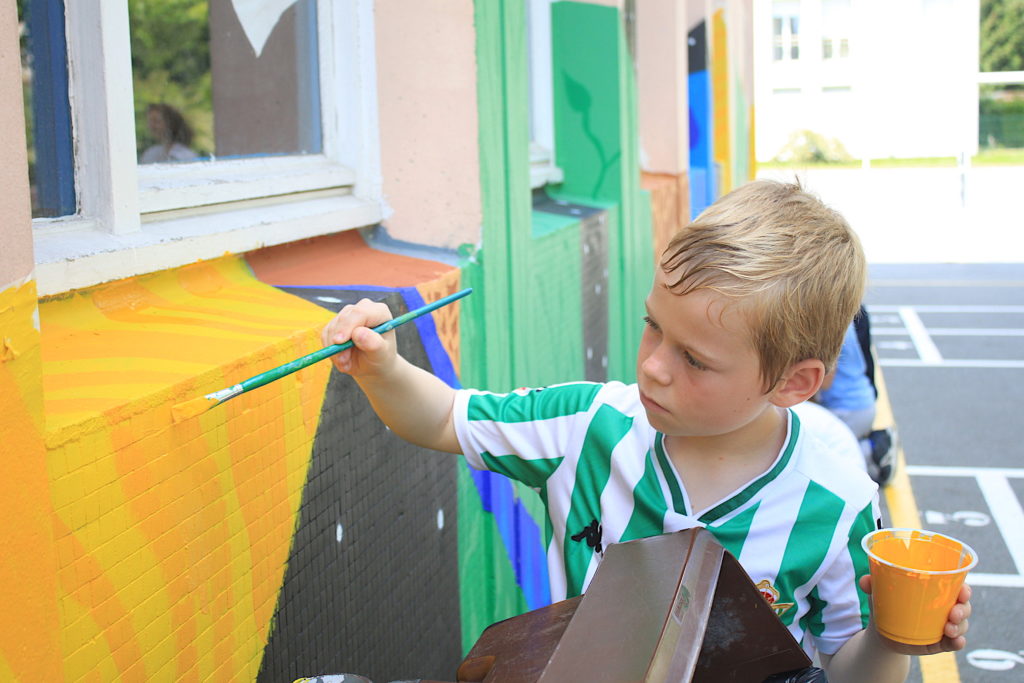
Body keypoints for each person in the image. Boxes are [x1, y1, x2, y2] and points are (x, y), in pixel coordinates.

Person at [321, 179, 971, 681]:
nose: (654, 365)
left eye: (695, 359)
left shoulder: (838, 500)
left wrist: (892, 635)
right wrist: (382, 365)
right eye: (653, 324)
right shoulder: (589, 424)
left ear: (793, 382)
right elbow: (441, 416)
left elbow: (844, 668)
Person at [816, 313, 897, 486]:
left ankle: (871, 451)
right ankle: (868, 445)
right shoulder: (839, 310)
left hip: (846, 409)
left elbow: (824, 380)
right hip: (860, 401)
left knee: (817, 458)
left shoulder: (825, 320)